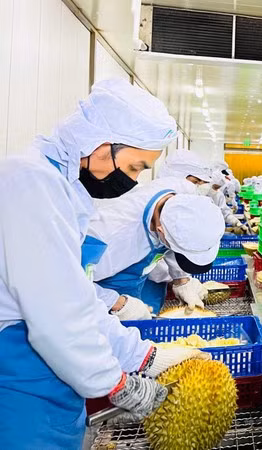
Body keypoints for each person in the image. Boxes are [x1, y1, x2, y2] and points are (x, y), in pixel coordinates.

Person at [0, 78, 206, 448]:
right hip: (15, 376)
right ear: (100, 143)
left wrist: (144, 355)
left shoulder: (66, 191)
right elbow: (56, 315)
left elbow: (77, 298)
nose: (133, 180)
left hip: (50, 372)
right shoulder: (30, 182)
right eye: (133, 167)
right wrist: (115, 382)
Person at [90, 185, 225, 316]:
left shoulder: (174, 206)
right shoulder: (109, 236)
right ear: (160, 231)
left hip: (133, 286)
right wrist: (116, 303)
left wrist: (181, 280)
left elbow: (176, 239)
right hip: (95, 299)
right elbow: (72, 283)